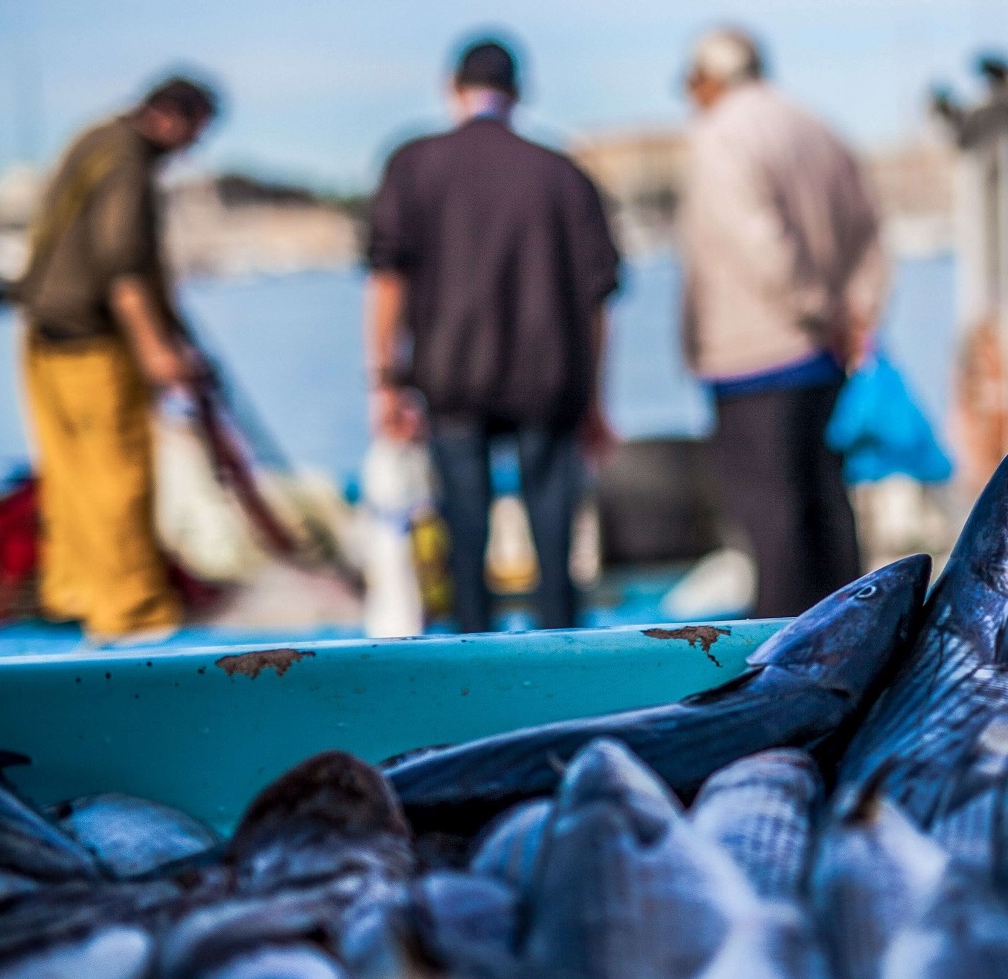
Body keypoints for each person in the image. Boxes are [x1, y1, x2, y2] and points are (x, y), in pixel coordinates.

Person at [365, 37, 621, 633]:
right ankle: (563, 662)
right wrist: (596, 402)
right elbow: (597, 302)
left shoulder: (413, 163)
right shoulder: (563, 173)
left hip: (451, 381)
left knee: (464, 537)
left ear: (452, 88)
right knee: (555, 545)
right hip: (550, 383)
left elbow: (387, 281)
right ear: (519, 92)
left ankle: (474, 664)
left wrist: (385, 382)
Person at [679, 26, 888, 618]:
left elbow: (760, 245)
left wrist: (814, 309)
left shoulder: (720, 135)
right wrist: (852, 315)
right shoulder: (817, 128)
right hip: (823, 356)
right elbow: (870, 230)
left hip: (755, 354)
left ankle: (786, 651)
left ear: (710, 77)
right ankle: (855, 625)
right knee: (826, 502)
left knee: (770, 516)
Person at [15, 76, 218, 644]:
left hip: (41, 334)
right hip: (93, 342)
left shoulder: (96, 137)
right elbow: (122, 267)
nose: (191, 150)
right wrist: (158, 351)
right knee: (119, 474)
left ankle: (74, 591)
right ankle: (134, 614)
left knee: (70, 472)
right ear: (175, 118)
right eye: (196, 134)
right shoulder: (130, 161)